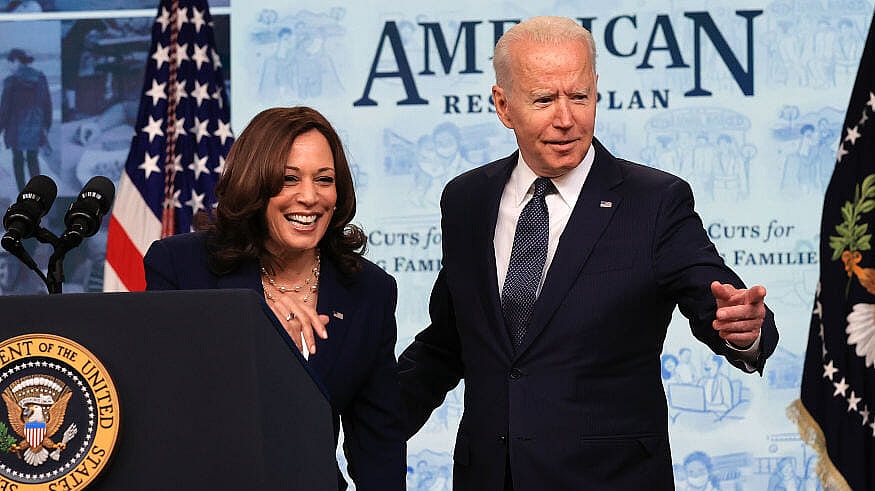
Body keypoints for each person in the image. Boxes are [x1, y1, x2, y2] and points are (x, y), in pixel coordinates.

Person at [396, 16, 778, 490]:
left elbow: (718, 302)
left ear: (596, 89)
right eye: (543, 100)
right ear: (503, 105)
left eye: (579, 97)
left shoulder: (655, 201)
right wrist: (365, 418)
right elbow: (450, 341)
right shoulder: (466, 199)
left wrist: (743, 332)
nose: (566, 118)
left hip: (611, 478)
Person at [143, 106, 405, 490]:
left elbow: (378, 442)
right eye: (288, 179)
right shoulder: (181, 266)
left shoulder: (370, 291)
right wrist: (249, 332)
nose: (309, 197)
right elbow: (159, 404)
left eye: (325, 179)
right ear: (254, 183)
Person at [0, 48, 52, 192]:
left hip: (15, 128)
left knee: (17, 159)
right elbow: (46, 103)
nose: (8, 67)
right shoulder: (40, 77)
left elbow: (5, 109)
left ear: (16, 61)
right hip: (35, 126)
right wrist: (46, 125)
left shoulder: (10, 81)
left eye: (9, 63)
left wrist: (0, 127)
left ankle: (22, 192)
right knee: (33, 158)